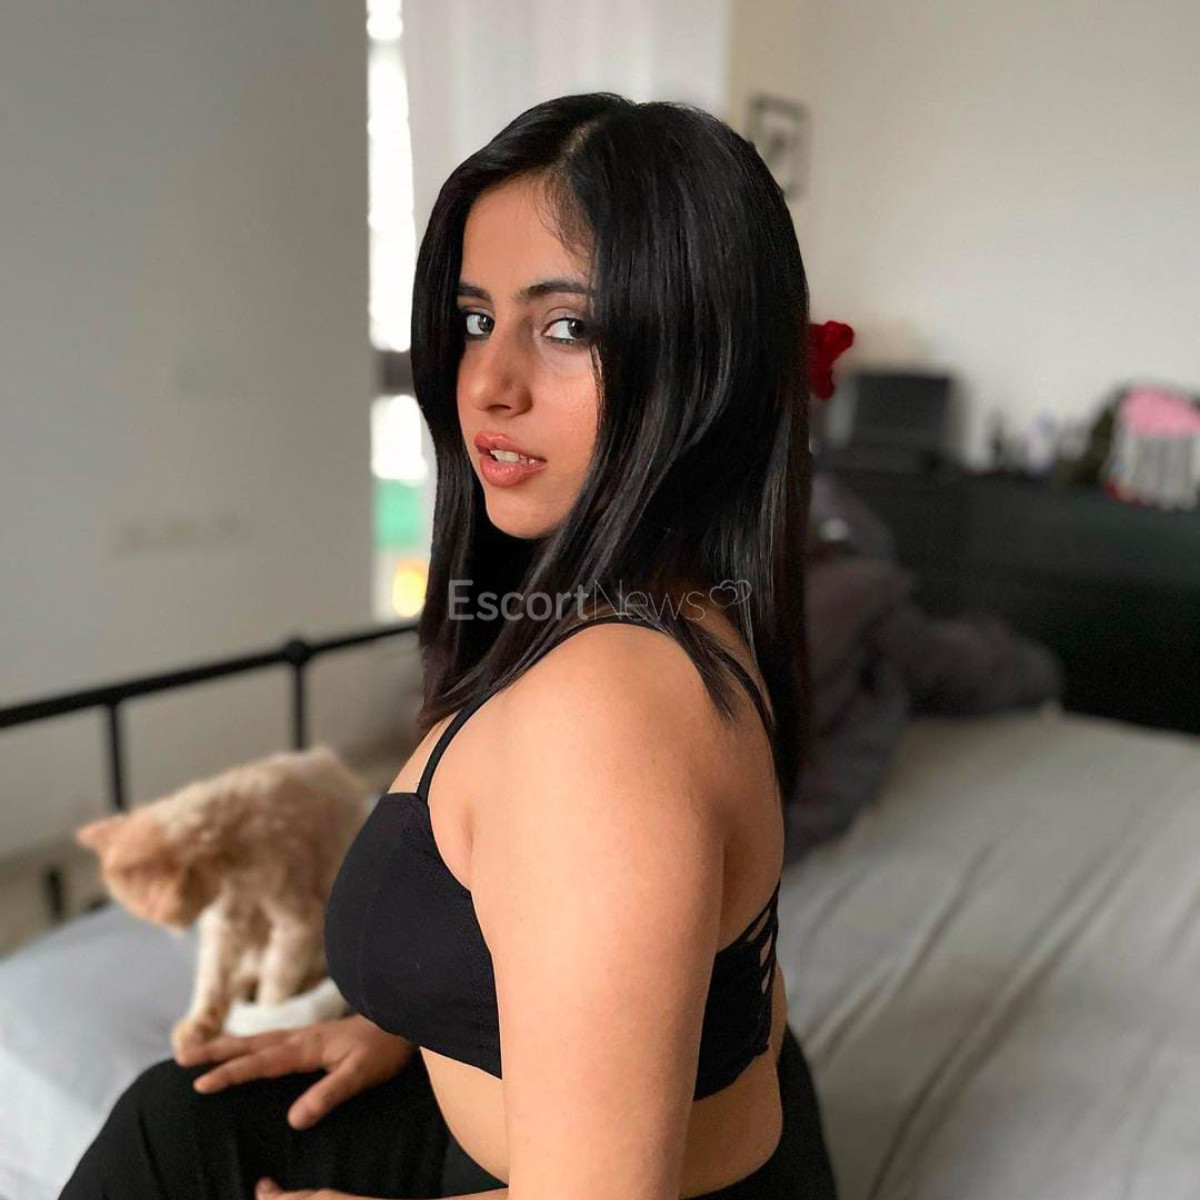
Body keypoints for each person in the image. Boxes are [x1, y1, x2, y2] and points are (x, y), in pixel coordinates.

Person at [59, 91, 838, 1200]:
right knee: (180, 1118)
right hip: (602, 1128)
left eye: (565, 327)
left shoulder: (604, 713)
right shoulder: (667, 601)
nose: (487, 384)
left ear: (700, 358)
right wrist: (427, 1021)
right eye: (476, 321)